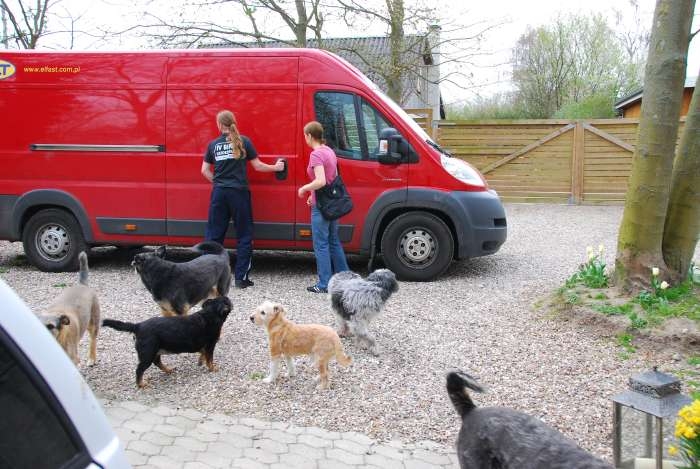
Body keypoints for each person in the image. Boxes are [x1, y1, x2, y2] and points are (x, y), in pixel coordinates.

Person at [201, 110, 284, 289]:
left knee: (214, 236)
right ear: (233, 122)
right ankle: (241, 279)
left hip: (219, 193)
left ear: (219, 124)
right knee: (244, 235)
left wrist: (218, 183)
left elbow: (204, 170)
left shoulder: (213, 144)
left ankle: (208, 278)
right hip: (239, 193)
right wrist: (276, 168)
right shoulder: (244, 141)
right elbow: (258, 166)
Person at [297, 121, 349, 293]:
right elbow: (332, 179)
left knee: (321, 244)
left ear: (310, 136)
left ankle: (324, 283)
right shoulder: (329, 151)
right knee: (334, 241)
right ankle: (345, 280)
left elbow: (320, 181)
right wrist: (313, 195)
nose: (305, 138)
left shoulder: (316, 155)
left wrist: (304, 189)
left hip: (321, 207)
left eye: (305, 135)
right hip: (330, 203)